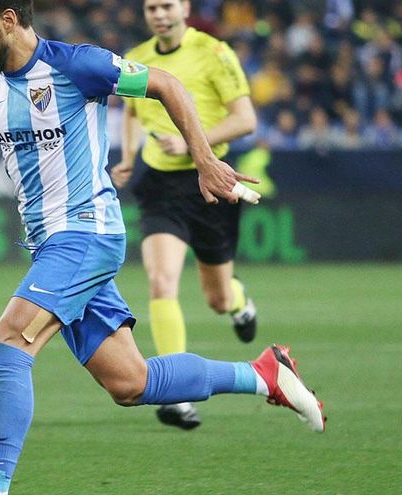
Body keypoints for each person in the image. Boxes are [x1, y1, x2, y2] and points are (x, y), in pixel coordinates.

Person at [0, 2, 325, 494]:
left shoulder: (78, 65)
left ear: (8, 20)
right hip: (52, 248)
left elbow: (167, 85)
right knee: (131, 383)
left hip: (85, 235)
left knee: (10, 342)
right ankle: (264, 374)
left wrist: (203, 158)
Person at [109, 0, 259, 430]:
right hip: (159, 186)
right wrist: (129, 155)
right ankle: (175, 395)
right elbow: (133, 112)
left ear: (185, 8)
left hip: (211, 181)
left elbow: (245, 119)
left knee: (216, 297)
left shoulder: (214, 52)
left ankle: (238, 302)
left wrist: (195, 143)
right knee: (161, 280)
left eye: (166, 6)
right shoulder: (137, 58)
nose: (159, 14)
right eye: (151, 7)